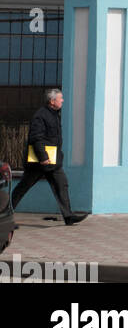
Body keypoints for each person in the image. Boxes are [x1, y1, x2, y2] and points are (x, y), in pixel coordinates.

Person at [11, 88, 87, 225]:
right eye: (60, 98)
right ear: (52, 101)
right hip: (40, 162)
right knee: (22, 188)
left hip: (53, 161)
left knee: (61, 184)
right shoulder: (41, 116)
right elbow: (36, 138)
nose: (62, 100)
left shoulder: (54, 114)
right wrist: (43, 157)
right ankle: (5, 216)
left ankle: (68, 216)